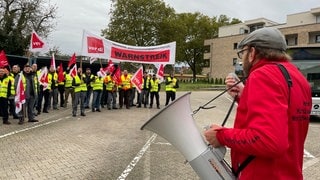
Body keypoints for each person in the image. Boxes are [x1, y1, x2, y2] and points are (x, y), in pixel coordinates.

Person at [204, 27, 312, 180]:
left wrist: (221, 136)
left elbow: (269, 141)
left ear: (252, 52)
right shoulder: (298, 78)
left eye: (244, 53)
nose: (243, 59)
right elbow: (285, 114)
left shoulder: (262, 75)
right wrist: (245, 95)